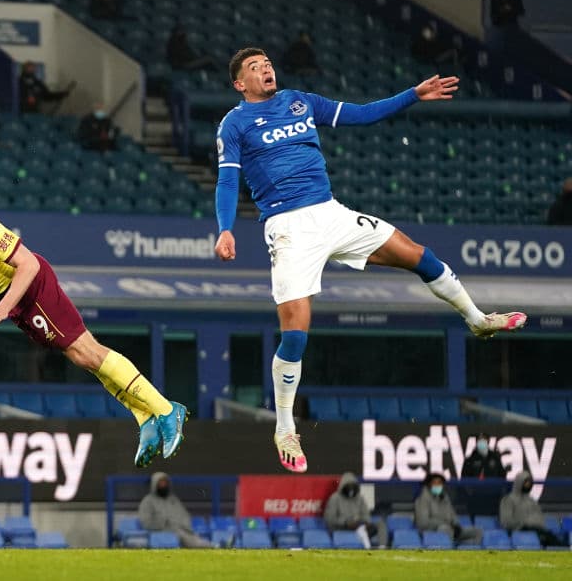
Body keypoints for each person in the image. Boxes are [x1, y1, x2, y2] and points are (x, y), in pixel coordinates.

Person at [213, 47, 527, 474]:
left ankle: (477, 319)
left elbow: (361, 115)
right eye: (255, 67)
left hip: (331, 212)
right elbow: (227, 179)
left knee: (417, 254)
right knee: (296, 332)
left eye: (267, 62)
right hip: (288, 227)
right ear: (240, 84)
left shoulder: (299, 101)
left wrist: (413, 94)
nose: (266, 68)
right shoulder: (234, 124)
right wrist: (226, 228)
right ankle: (285, 427)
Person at [0, 176, 186, 468]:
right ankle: (144, 417)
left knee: (88, 352)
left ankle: (165, 410)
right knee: (83, 358)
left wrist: (3, 307)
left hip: (29, 287)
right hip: (13, 298)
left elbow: (29, 264)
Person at [137, 472, 217, 548]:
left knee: (190, 536)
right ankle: (211, 546)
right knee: (183, 536)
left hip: (181, 530)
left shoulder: (173, 500)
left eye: (165, 482)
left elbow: (185, 515)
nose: (164, 485)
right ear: (155, 484)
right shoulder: (147, 501)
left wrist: (184, 526)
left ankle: (211, 545)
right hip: (161, 532)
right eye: (161, 483)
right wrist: (163, 522)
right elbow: (145, 522)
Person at [414, 472, 483, 546]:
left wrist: (456, 525)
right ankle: (451, 549)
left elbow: (452, 515)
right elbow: (423, 522)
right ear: (429, 484)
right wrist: (444, 524)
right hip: (430, 531)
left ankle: (462, 548)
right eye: (434, 483)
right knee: (445, 529)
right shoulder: (422, 499)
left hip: (450, 528)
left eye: (439, 483)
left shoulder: (445, 497)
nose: (437, 485)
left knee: (478, 532)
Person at [499, 471, 565, 547]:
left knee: (554, 541)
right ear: (519, 483)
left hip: (538, 530)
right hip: (520, 530)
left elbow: (540, 518)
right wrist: (523, 524)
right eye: (526, 483)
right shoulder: (508, 500)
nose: (528, 485)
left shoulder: (532, 501)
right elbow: (506, 521)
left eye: (529, 483)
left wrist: (536, 524)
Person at [323, 472, 383, 548]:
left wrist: (362, 522)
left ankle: (382, 547)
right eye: (348, 486)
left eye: (353, 485)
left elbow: (366, 515)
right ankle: (367, 547)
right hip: (342, 527)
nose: (351, 488)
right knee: (360, 531)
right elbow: (330, 519)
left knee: (380, 524)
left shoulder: (360, 498)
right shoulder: (335, 498)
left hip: (360, 526)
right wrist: (345, 522)